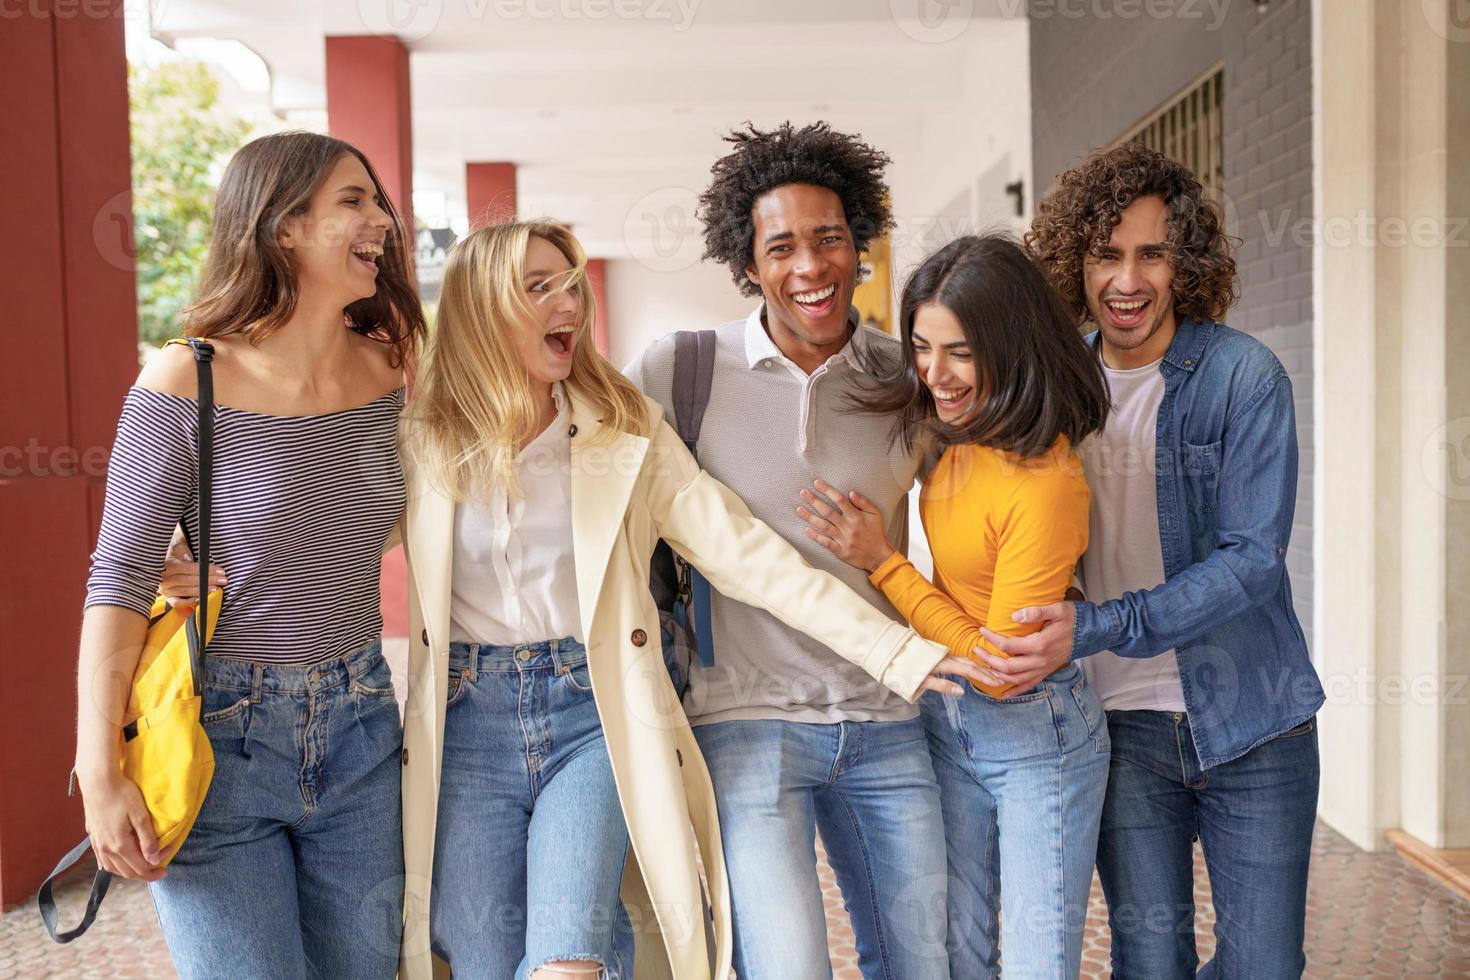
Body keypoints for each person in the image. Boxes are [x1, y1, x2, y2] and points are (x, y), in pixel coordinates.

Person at [166, 219, 982, 980]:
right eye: (539, 289)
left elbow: (749, 556)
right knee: (481, 957)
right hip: (464, 723)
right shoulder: (423, 443)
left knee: (568, 959)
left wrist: (895, 649)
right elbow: (319, 532)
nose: (568, 304)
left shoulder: (628, 434)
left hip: (593, 715)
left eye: (571, 286)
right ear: (486, 312)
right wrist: (198, 554)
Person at [76, 131, 424, 978]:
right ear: (282, 227)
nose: (382, 218)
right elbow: (118, 578)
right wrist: (97, 767)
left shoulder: (394, 376)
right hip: (219, 737)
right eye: (354, 201)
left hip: (362, 729)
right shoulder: (184, 379)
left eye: (377, 201)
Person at [985, 143, 1325, 977]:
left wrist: (1100, 624)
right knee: (1150, 960)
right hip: (1124, 730)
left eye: (1151, 254)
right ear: (1076, 262)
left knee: (1265, 966)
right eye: (1106, 254)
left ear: (1185, 264)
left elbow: (1252, 561)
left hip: (1255, 720)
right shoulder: (1054, 389)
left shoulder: (1243, 375)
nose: (1126, 280)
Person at [627, 121, 953, 979]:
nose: (809, 268)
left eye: (829, 240)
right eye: (781, 247)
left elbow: (973, 520)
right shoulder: (679, 371)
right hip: (746, 722)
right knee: (786, 967)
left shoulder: (907, 378)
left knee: (924, 962)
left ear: (860, 247)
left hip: (887, 722)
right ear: (747, 262)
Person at [798, 234, 1113, 978]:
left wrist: (884, 565)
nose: (935, 374)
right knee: (960, 958)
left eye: (961, 352)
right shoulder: (949, 439)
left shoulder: (1046, 482)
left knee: (1037, 964)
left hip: (1039, 737)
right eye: (921, 347)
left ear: (1010, 344)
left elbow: (1003, 669)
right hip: (946, 719)